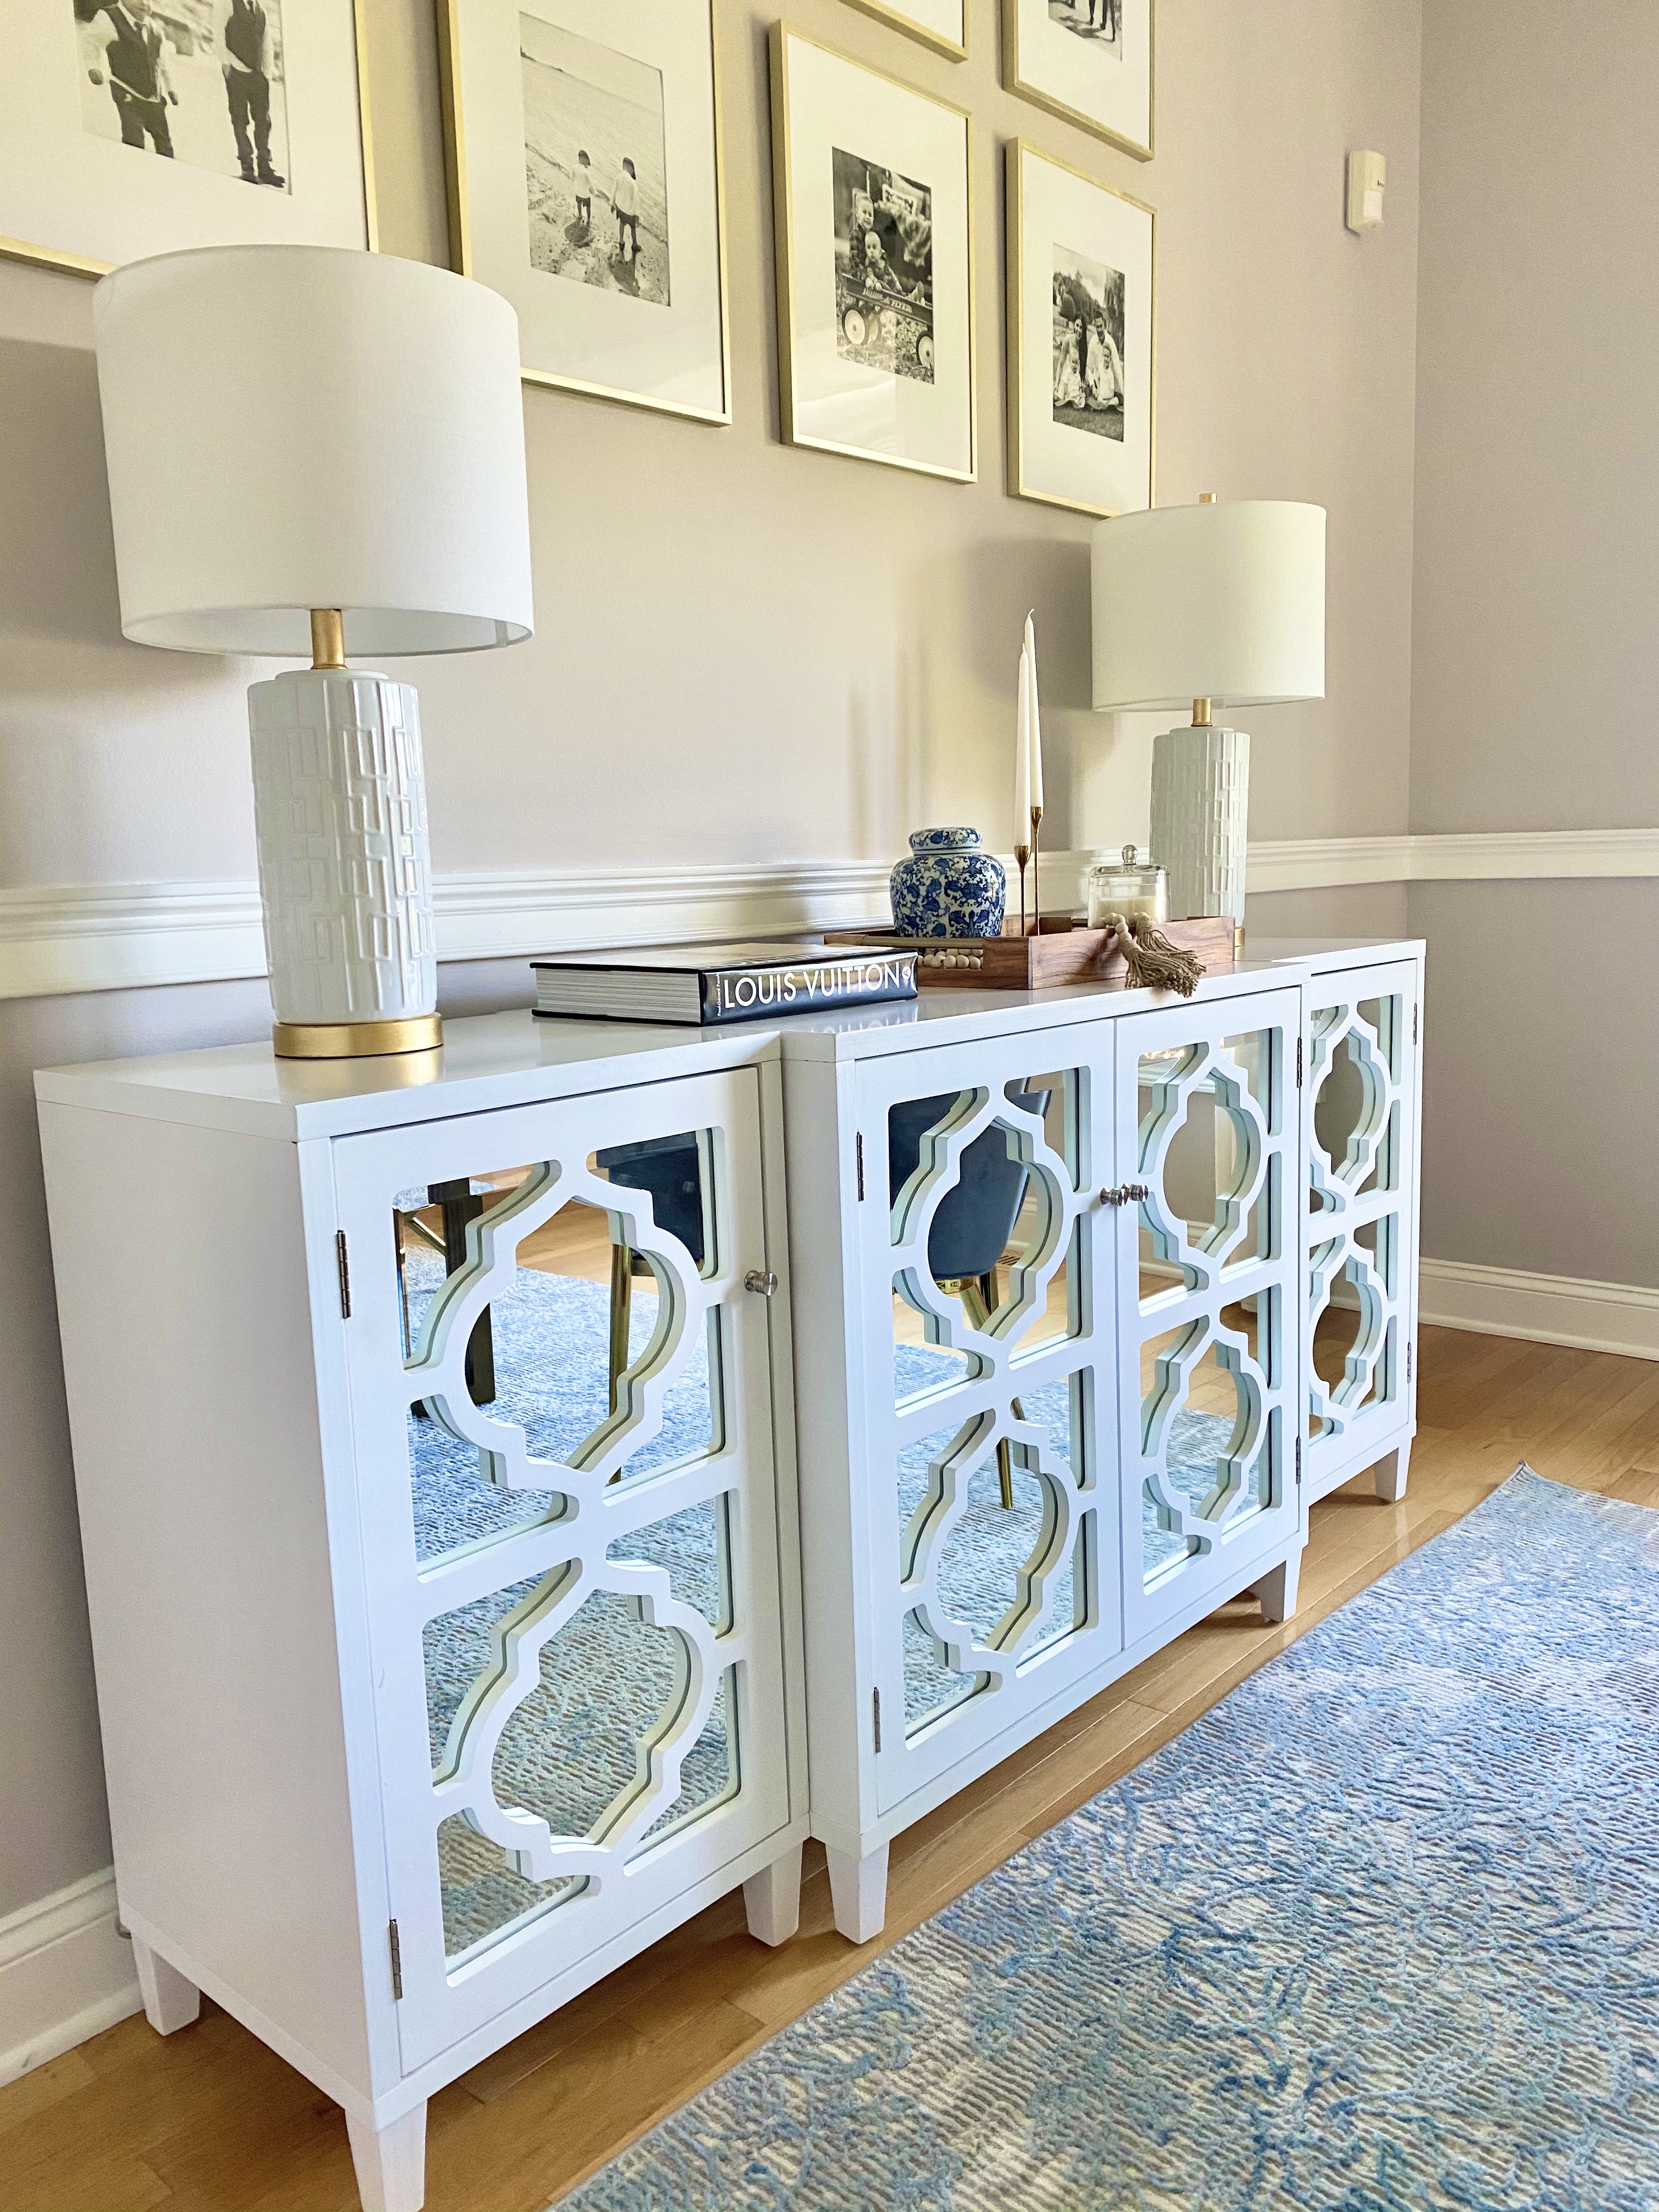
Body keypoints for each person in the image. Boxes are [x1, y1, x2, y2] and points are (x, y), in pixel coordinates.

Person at [86, 0, 177, 159]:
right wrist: (94, 67)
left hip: (153, 97)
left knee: (165, 144)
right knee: (134, 138)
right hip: (127, 90)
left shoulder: (155, 29)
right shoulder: (111, 17)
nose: (144, 3)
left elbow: (162, 63)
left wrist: (171, 88)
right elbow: (91, 41)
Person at [215, 0, 284, 188]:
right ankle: (247, 167)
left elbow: (266, 40)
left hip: (259, 74)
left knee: (263, 120)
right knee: (240, 120)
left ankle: (265, 166)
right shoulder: (226, 3)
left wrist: (267, 72)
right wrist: (227, 64)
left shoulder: (260, 9)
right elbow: (219, 32)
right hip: (236, 70)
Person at [611, 156, 639, 264]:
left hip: (620, 207)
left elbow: (614, 190)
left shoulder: (619, 177)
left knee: (622, 224)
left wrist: (612, 204)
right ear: (631, 169)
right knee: (633, 228)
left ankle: (621, 241)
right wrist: (637, 215)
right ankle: (634, 245)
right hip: (630, 211)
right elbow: (636, 200)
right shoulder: (633, 183)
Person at [573, 147, 595, 233]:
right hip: (585, 194)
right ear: (583, 160)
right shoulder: (586, 172)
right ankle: (588, 220)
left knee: (579, 204)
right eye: (586, 162)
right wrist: (595, 191)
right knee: (588, 207)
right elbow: (591, 183)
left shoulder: (575, 168)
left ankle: (580, 215)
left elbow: (572, 177)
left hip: (578, 192)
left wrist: (575, 184)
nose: (587, 165)